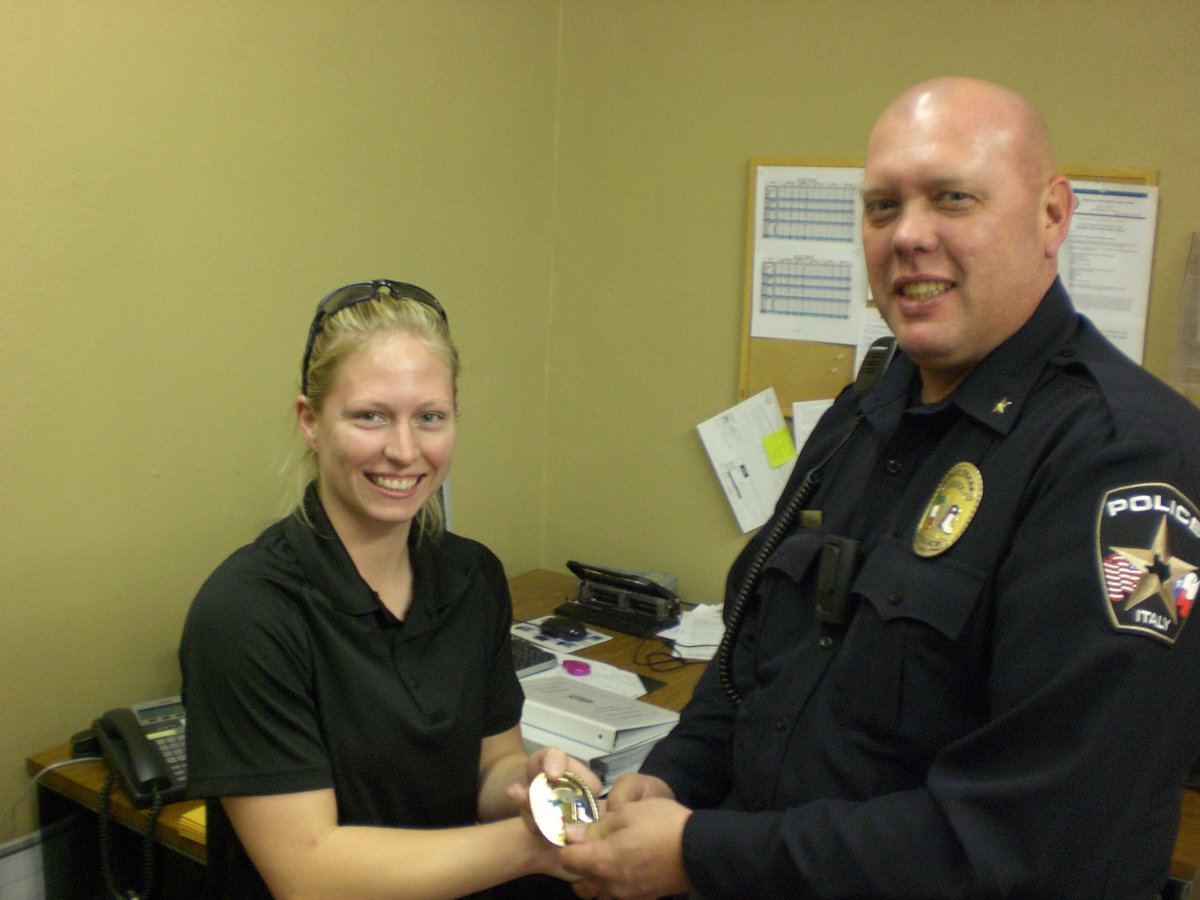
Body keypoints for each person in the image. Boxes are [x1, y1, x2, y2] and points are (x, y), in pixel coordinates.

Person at [560, 77, 1200, 897]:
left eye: (953, 199)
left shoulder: (1127, 464)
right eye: (882, 207)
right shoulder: (868, 412)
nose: (909, 236)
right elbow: (754, 661)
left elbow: (1035, 842)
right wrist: (675, 778)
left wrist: (699, 853)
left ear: (1052, 215)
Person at [179, 280, 591, 898]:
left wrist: (532, 790)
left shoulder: (471, 577)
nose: (403, 451)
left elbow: (488, 765)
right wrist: (532, 845)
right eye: (370, 416)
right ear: (310, 422)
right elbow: (307, 871)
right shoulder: (245, 613)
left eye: (429, 417)